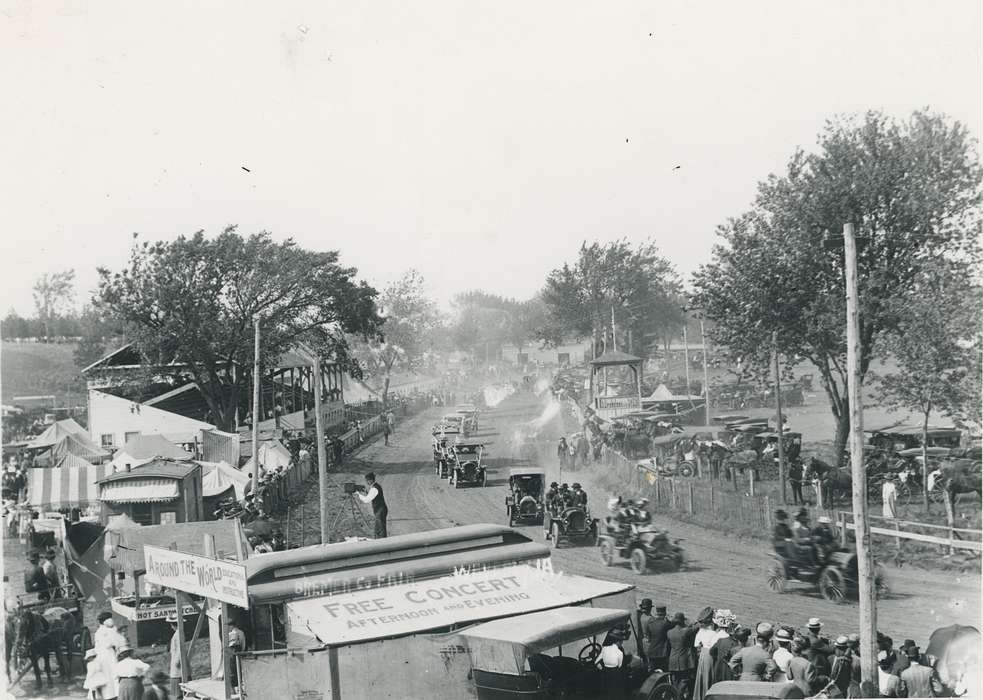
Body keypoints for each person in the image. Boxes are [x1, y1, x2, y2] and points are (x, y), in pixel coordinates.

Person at [95, 611, 126, 700]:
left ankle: (116, 692)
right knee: (109, 674)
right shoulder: (100, 632)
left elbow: (119, 640)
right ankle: (110, 694)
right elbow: (107, 644)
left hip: (111, 654)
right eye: (109, 619)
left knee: (114, 673)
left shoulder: (112, 629)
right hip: (105, 655)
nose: (111, 621)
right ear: (104, 621)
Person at [667, 612, 698, 698]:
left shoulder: (669, 632)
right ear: (682, 621)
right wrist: (695, 622)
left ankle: (674, 696)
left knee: (675, 681)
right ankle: (678, 696)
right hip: (683, 660)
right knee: (684, 679)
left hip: (672, 659)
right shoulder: (686, 631)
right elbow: (695, 628)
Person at [356, 472, 388, 538]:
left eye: (367, 481)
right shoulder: (375, 487)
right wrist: (366, 492)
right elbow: (372, 495)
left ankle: (382, 543)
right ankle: (380, 541)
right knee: (379, 528)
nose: (367, 482)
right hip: (380, 510)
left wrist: (358, 494)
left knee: (380, 529)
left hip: (380, 510)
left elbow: (366, 500)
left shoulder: (374, 488)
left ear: (371, 480)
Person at [644, 604, 672, 672]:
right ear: (665, 613)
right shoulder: (666, 624)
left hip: (652, 651)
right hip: (663, 652)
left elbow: (649, 637)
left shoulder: (650, 623)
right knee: (664, 671)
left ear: (656, 612)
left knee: (652, 671)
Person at [227, 618, 247, 690]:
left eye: (230, 625)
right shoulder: (229, 634)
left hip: (236, 652)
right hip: (232, 652)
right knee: (234, 670)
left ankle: (238, 687)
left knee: (236, 670)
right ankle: (236, 687)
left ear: (232, 625)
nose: (229, 627)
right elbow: (243, 643)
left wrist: (241, 650)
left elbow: (242, 642)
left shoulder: (238, 632)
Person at [166, 612, 182, 696]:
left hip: (178, 668)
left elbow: (180, 649)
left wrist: (177, 661)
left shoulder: (178, 634)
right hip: (176, 665)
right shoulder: (177, 634)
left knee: (177, 692)